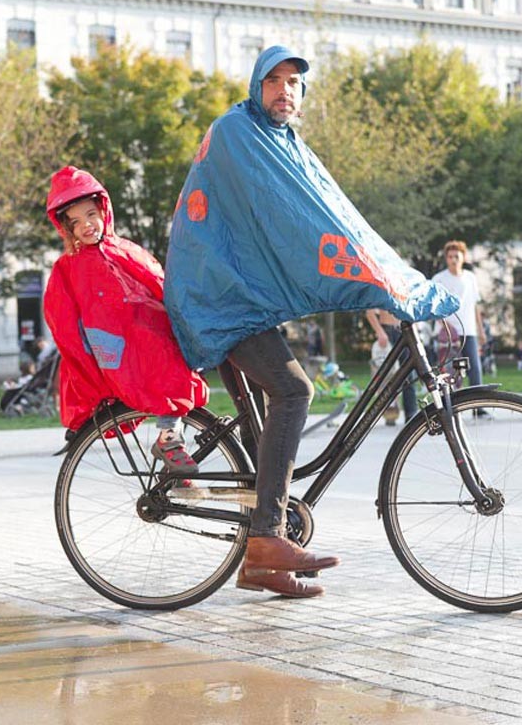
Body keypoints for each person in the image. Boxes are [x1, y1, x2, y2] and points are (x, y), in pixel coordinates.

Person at [165, 45, 459, 598]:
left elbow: (339, 213)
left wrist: (384, 276)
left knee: (271, 424)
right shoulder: (238, 132)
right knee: (294, 391)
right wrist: (376, 281)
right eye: (273, 80)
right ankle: (268, 539)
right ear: (256, 85)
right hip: (217, 298)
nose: (285, 90)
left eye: (294, 82)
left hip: (240, 297)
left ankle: (260, 563)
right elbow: (301, 221)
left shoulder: (286, 143)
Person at [43, 166, 208, 473]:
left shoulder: (124, 249)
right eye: (76, 222)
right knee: (165, 369)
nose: (87, 225)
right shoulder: (67, 268)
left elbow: (157, 281)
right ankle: (170, 440)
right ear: (66, 229)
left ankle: (174, 451)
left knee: (176, 363)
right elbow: (63, 323)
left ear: (103, 210)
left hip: (148, 332)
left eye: (91, 214)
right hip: (115, 347)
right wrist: (88, 364)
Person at [432, 240, 487, 403]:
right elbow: (434, 306)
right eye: (450, 256)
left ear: (463, 257)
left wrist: (481, 330)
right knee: (449, 371)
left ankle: (479, 406)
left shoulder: (470, 278)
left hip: (469, 330)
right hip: (448, 333)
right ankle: (451, 405)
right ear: (446, 259)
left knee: (475, 368)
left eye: (457, 256)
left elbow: (475, 305)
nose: (453, 259)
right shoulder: (439, 279)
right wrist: (444, 324)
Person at [365, 309, 418, 424]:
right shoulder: (383, 291)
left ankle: (411, 413)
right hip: (387, 331)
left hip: (405, 328)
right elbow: (370, 312)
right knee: (386, 376)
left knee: (409, 372)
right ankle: (389, 413)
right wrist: (380, 332)